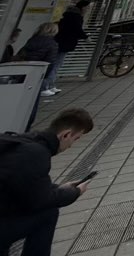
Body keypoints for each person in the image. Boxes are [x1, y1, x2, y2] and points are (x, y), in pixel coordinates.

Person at [0, 108, 93, 256]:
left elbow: (26, 187)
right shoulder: (36, 154)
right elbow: (40, 201)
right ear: (66, 135)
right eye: (76, 139)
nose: (71, 145)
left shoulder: (24, 142)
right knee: (47, 213)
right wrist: (74, 192)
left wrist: (58, 188)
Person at [51, 1, 91, 94]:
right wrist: (86, 37)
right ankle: (48, 86)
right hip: (64, 43)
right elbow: (77, 29)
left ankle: (49, 85)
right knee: (56, 64)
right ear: (83, 7)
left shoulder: (69, 14)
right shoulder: (75, 16)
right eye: (88, 7)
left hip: (59, 41)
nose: (89, 9)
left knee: (55, 64)